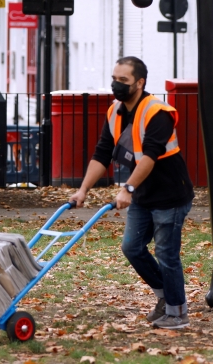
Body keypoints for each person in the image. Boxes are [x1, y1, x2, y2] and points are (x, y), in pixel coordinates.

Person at [69, 57, 194, 329]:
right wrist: (83, 190)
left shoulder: (157, 112)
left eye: (123, 81)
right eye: (114, 78)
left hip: (170, 195)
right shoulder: (115, 112)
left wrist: (127, 188)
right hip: (143, 194)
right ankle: (166, 297)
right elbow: (102, 154)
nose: (116, 85)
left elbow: (149, 156)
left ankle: (177, 312)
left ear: (140, 83)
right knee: (132, 248)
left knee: (167, 254)